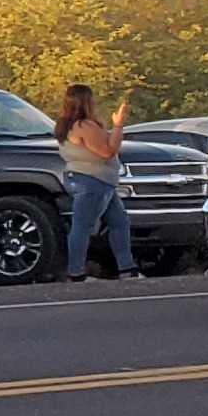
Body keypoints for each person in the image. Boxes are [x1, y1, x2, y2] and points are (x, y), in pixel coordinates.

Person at [53, 82, 136, 282]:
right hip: (93, 180)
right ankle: (76, 273)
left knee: (118, 222)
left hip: (86, 179)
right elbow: (107, 150)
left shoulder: (64, 126)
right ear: (86, 102)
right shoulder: (84, 126)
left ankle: (127, 268)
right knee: (83, 226)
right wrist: (118, 125)